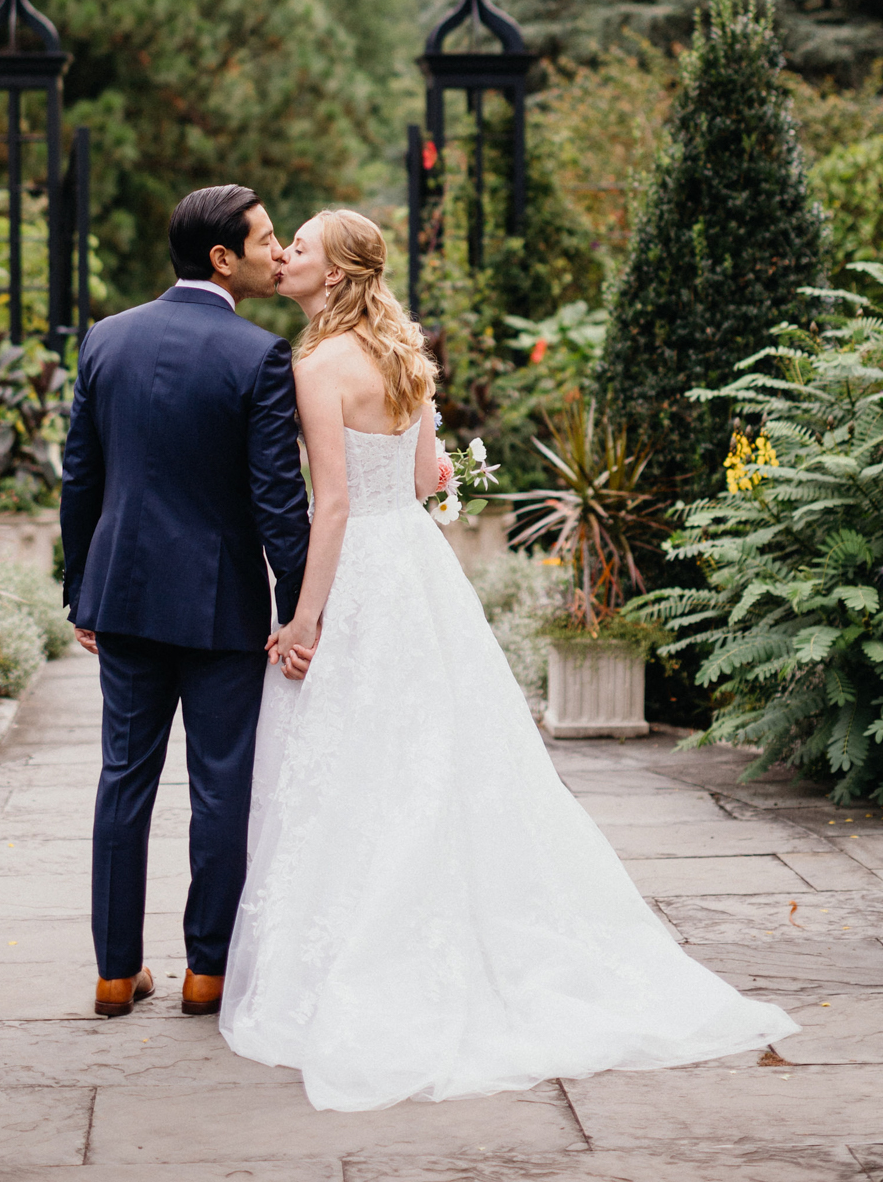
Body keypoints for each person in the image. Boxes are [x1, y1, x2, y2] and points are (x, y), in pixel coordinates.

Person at [219, 207, 798, 1111]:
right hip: (417, 569)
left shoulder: (315, 364)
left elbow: (331, 508)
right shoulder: (403, 356)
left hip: (365, 570)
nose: (285, 256)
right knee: (441, 753)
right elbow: (421, 483)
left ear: (333, 276)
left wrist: (302, 620)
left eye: (300, 247)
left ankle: (369, 947)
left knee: (357, 760)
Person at [60, 184, 312, 1020]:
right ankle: (207, 973)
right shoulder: (258, 356)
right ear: (222, 258)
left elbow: (81, 481)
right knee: (219, 787)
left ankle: (112, 973)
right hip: (219, 609)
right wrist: (299, 605)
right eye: (268, 238)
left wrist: (80, 593)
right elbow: (279, 501)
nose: (278, 251)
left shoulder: (107, 340)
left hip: (123, 599)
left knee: (122, 780)